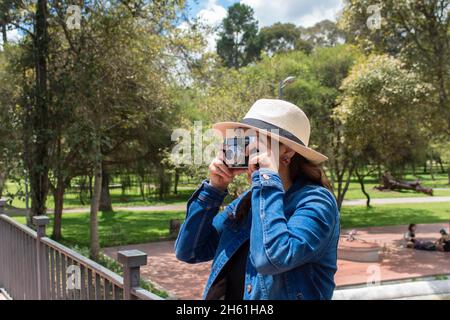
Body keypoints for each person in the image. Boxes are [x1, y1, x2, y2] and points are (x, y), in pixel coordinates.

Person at [174, 99, 340, 300]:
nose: (246, 149)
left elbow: (271, 259)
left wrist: (268, 178)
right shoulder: (249, 202)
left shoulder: (316, 202)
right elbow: (188, 251)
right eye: (244, 140)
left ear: (287, 151)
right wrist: (214, 188)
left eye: (255, 141)